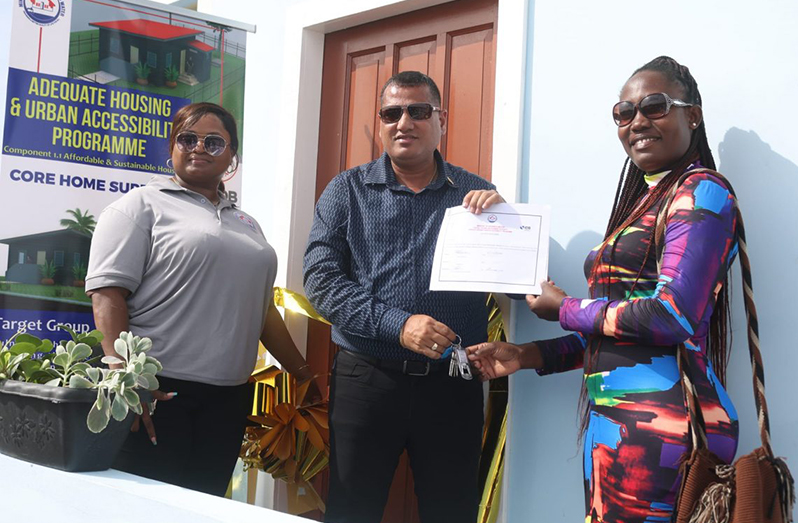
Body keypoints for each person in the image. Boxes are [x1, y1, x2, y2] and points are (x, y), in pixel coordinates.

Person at [467, 56, 740, 522]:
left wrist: (566, 307)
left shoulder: (704, 193)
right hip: (619, 424)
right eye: (624, 112)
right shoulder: (649, 200)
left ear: (692, 114)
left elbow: (671, 315)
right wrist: (528, 355)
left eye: (654, 106)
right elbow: (623, 331)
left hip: (663, 429)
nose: (637, 121)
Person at [303, 71, 504, 523]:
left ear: (441, 119)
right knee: (352, 508)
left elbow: (511, 273)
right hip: (367, 380)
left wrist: (505, 223)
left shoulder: (478, 196)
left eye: (418, 111)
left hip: (453, 382)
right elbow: (319, 280)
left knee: (451, 511)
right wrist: (399, 324)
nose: (404, 123)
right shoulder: (346, 190)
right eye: (391, 113)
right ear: (380, 123)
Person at [85, 102, 314, 496]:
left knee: (204, 508)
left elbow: (259, 311)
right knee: (146, 511)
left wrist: (303, 374)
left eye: (213, 142)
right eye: (187, 139)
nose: (198, 148)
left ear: (232, 156)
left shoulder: (247, 223)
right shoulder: (140, 206)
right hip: (159, 392)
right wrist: (127, 380)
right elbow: (107, 295)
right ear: (171, 146)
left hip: (228, 398)